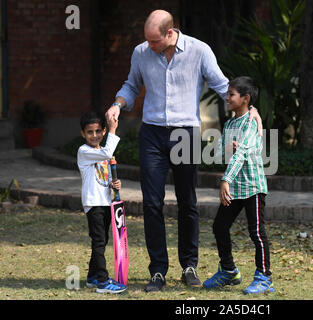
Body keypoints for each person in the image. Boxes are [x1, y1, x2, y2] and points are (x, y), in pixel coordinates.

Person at [105, 9, 262, 292]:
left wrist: (250, 110)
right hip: (152, 133)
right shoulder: (141, 52)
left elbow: (223, 85)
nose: (149, 45)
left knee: (187, 201)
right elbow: (131, 85)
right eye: (147, 40)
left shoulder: (199, 51)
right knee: (152, 204)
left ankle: (189, 265)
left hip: (185, 134)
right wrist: (118, 104)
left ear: (170, 32)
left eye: (154, 41)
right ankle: (157, 271)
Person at [203, 76, 273, 294]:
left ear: (245, 98)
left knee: (257, 233)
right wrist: (227, 146)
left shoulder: (252, 121)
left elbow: (243, 152)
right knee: (219, 227)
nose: (227, 97)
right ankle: (228, 271)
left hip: (252, 187)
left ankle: (264, 277)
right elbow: (226, 151)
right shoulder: (231, 123)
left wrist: (225, 179)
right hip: (236, 188)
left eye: (231, 94)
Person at [77, 110, 127, 294]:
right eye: (90, 132)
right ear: (83, 134)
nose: (94, 135)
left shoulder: (101, 154)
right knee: (99, 241)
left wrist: (114, 184)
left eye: (98, 131)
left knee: (102, 240)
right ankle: (103, 282)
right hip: (93, 204)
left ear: (102, 131)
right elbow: (108, 151)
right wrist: (114, 129)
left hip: (105, 202)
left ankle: (92, 277)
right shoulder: (84, 151)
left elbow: (103, 177)